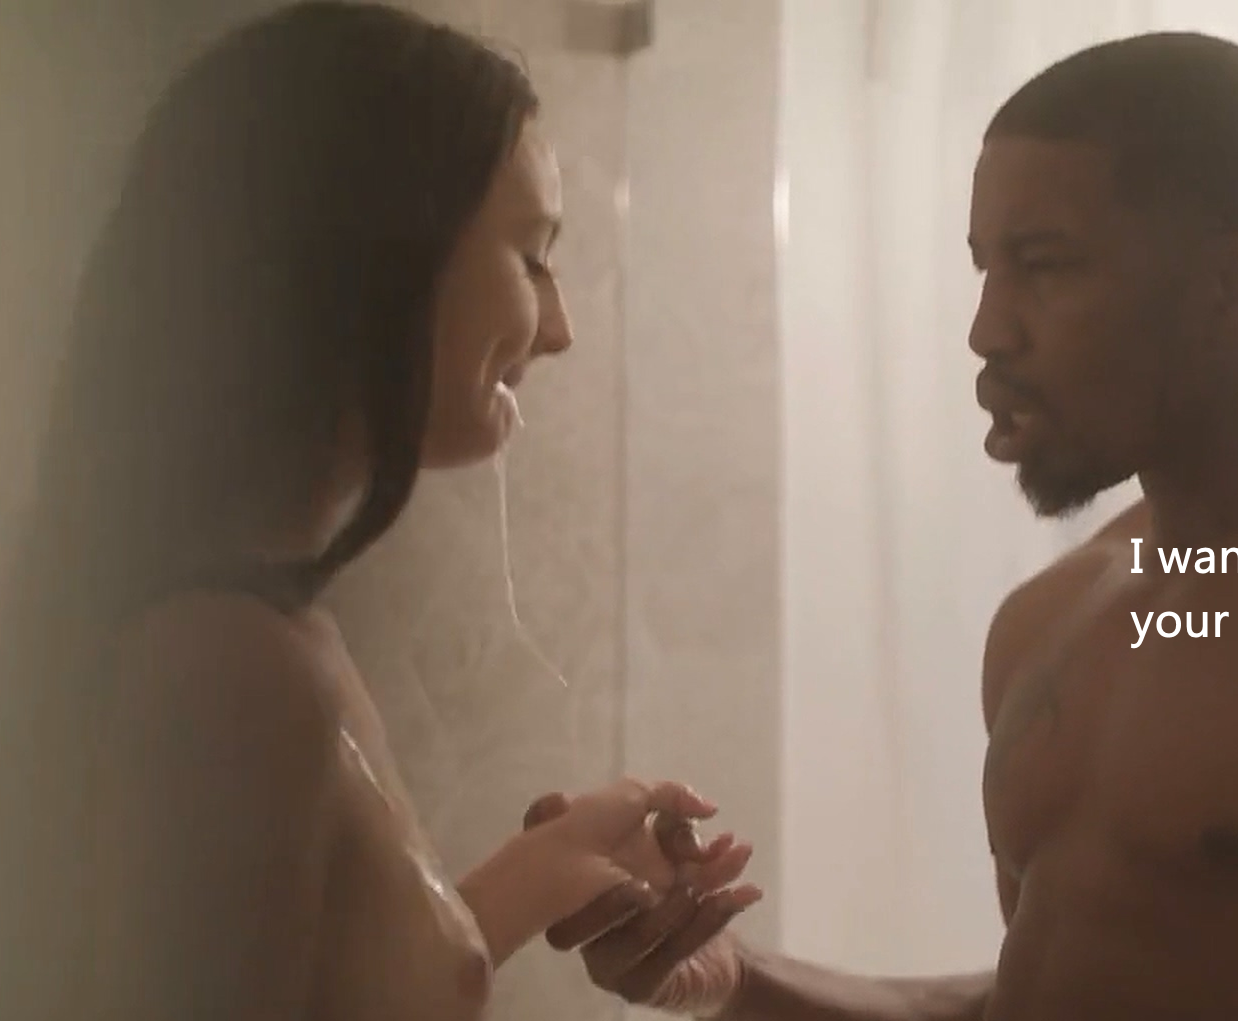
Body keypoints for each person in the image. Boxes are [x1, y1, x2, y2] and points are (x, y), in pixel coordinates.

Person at [578, 31, 1238, 1021]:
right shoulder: (1049, 621)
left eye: (1043, 266)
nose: (986, 330)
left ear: (1232, 283)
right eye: (984, 270)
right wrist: (736, 977)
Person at [0, 4, 759, 1019]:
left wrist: (550, 865)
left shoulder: (262, 635)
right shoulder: (231, 667)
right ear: (374, 257)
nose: (560, 328)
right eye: (531, 257)